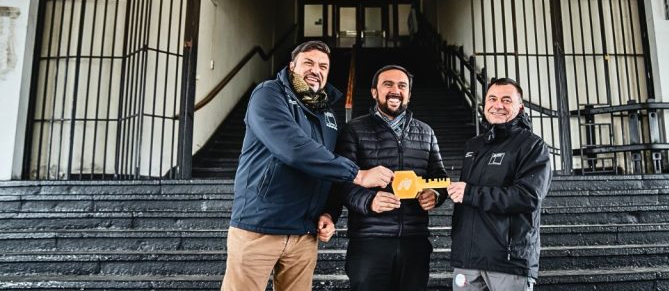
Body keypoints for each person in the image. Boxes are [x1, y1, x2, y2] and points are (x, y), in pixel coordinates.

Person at [221, 41, 394, 291]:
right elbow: (293, 148)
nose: (317, 70)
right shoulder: (269, 94)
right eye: (308, 63)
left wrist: (329, 212)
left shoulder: (328, 115)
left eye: (323, 66)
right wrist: (357, 174)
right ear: (292, 66)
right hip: (259, 228)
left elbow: (329, 169)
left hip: (304, 233)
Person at [335, 65, 449, 291]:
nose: (395, 90)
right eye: (388, 84)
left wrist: (436, 195)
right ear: (374, 92)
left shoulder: (426, 132)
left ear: (409, 93)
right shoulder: (353, 130)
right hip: (369, 241)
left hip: (414, 241)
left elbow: (440, 176)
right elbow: (341, 181)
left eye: (402, 85)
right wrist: (369, 201)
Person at [447, 78, 552, 291]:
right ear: (484, 104)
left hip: (508, 261)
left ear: (520, 107)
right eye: (492, 99)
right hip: (467, 261)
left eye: (506, 100)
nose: (498, 105)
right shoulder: (473, 145)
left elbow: (528, 196)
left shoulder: (532, 145)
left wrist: (470, 193)